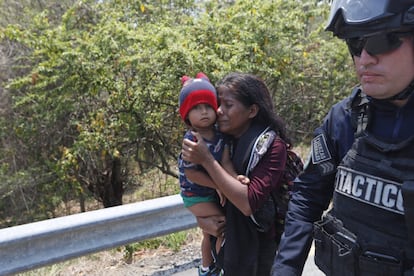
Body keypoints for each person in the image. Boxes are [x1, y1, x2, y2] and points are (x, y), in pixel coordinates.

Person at [271, 1, 414, 275]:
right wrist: (285, 268)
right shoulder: (344, 118)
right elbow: (308, 196)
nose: (364, 59)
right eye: (355, 44)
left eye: (381, 41)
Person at [181, 72, 292, 276]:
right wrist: (203, 221)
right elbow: (197, 183)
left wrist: (207, 159)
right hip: (228, 250)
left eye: (228, 105)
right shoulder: (218, 138)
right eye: (218, 104)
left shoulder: (271, 146)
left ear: (252, 110)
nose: (219, 111)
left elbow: (247, 204)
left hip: (260, 253)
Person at [178, 72, 238, 276]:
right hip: (195, 194)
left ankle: (206, 267)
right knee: (223, 224)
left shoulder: (221, 135)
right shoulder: (192, 139)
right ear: (186, 114)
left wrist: (234, 179)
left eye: (207, 106)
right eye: (196, 108)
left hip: (211, 191)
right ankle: (222, 267)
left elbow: (226, 162)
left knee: (208, 233)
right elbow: (192, 174)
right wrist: (220, 186)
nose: (203, 112)